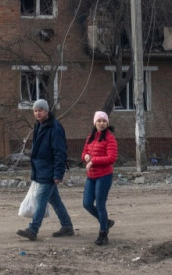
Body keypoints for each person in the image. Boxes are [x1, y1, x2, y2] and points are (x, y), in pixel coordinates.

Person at [17, 98, 73, 241]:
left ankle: (33, 229)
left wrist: (58, 173)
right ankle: (67, 226)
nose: (37, 113)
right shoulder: (39, 125)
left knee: (41, 198)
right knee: (55, 200)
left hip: (49, 170)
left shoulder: (55, 127)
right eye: (35, 111)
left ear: (47, 111)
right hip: (41, 169)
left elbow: (60, 152)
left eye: (40, 110)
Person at [81, 110, 118, 245]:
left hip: (104, 176)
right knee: (86, 203)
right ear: (95, 122)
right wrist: (85, 157)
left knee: (100, 205)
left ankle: (103, 233)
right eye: (99, 121)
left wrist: (93, 161)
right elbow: (84, 152)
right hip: (91, 176)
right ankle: (106, 222)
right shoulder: (90, 137)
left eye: (104, 121)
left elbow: (111, 158)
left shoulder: (110, 138)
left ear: (107, 123)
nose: (101, 123)